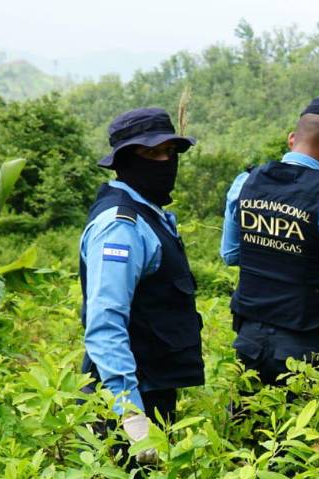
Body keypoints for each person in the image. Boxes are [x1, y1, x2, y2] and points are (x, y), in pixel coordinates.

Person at [220, 97, 319, 386]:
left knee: (246, 427)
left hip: (250, 340)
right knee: (307, 429)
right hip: (310, 350)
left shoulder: (244, 183)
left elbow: (230, 254)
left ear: (292, 139)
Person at [80, 107, 203, 460]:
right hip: (125, 406)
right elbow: (105, 324)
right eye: (151, 154)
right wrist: (131, 415)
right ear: (124, 161)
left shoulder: (152, 215)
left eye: (170, 152)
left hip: (153, 392)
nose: (164, 161)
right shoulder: (121, 226)